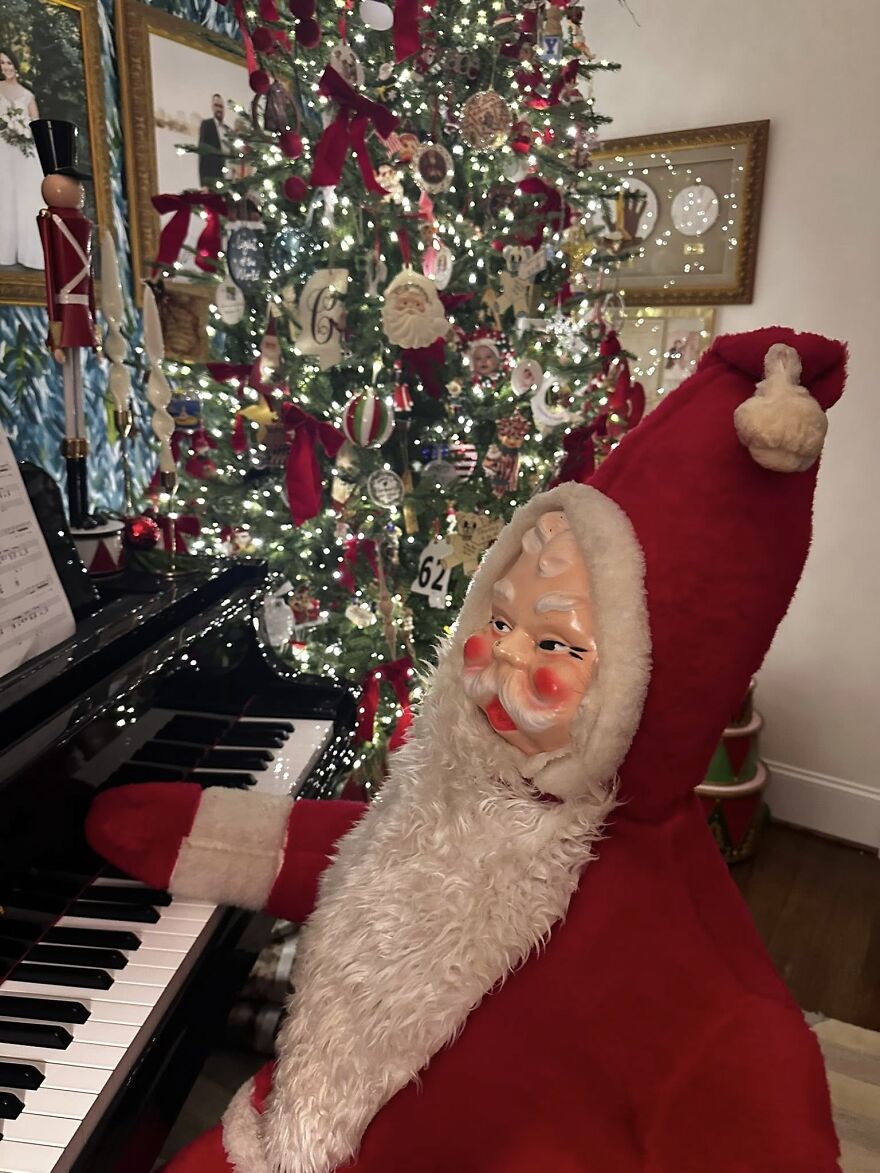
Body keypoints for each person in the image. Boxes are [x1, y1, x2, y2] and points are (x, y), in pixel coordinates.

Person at [87, 327, 845, 1173]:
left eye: (554, 643)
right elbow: (369, 855)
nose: (502, 657)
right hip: (284, 1136)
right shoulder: (467, 782)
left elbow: (751, 1077)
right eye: (499, 617)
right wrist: (202, 833)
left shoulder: (676, 946)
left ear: (646, 691)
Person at [0, 48, 45, 269]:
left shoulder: (28, 95)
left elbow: (36, 125)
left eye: (8, 62)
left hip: (23, 151)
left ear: (15, 65)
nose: (5, 67)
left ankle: (29, 253)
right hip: (2, 148)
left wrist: (24, 132)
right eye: (1, 63)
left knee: (26, 195)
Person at [197, 93, 227, 188]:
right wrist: (204, 184)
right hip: (213, 180)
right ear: (212, 107)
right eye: (216, 106)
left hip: (227, 180)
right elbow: (202, 154)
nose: (219, 109)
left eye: (221, 106)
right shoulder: (207, 125)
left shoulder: (227, 129)